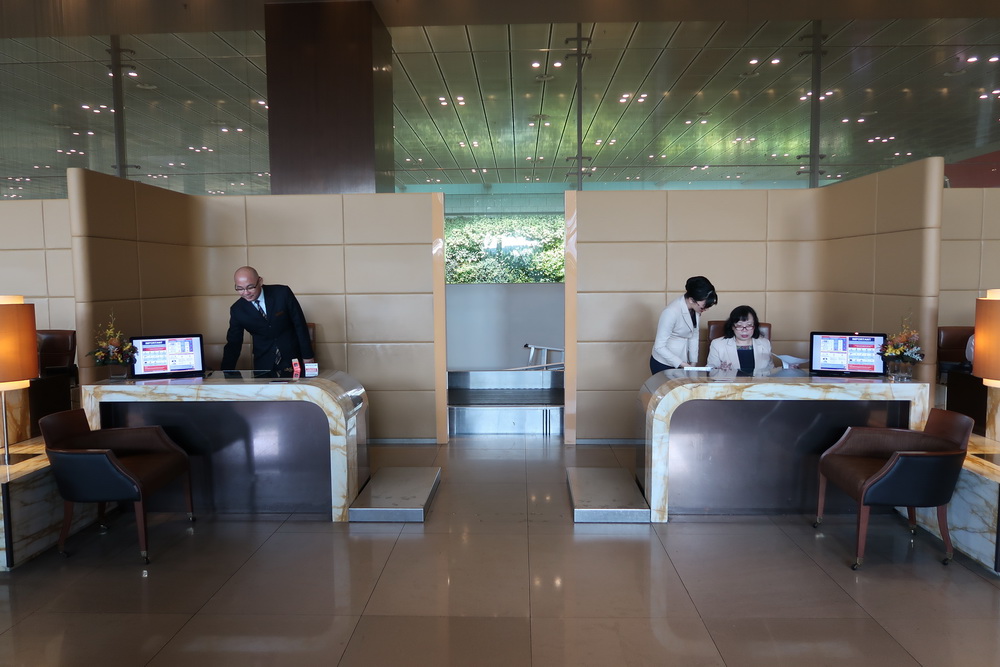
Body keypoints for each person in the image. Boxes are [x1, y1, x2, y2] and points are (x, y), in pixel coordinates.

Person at [221, 266, 315, 377]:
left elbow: (299, 324)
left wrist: (308, 356)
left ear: (260, 281)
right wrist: (225, 373)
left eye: (250, 287)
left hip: (293, 356)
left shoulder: (282, 293)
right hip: (264, 362)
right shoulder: (237, 310)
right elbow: (233, 343)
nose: (246, 293)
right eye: (240, 288)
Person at [650, 275, 717, 374]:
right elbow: (659, 347)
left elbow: (693, 335)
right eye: (704, 306)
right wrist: (683, 365)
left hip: (683, 362)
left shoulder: (695, 309)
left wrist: (693, 362)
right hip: (664, 363)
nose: (705, 309)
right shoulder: (671, 312)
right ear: (691, 300)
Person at [706, 305, 774, 374]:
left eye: (749, 325)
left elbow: (771, 371)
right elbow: (710, 371)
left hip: (759, 384)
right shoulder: (717, 344)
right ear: (732, 327)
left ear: (754, 326)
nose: (744, 330)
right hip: (730, 384)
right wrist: (719, 370)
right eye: (739, 326)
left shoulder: (765, 343)